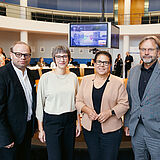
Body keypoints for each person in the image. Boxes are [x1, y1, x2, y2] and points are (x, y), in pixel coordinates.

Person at [76, 51, 129, 160]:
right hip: (90, 130)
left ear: (110, 65)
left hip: (111, 131)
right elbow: (78, 101)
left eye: (105, 62)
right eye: (99, 62)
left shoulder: (118, 82)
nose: (102, 65)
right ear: (94, 63)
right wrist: (87, 110)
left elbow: (124, 104)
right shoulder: (85, 80)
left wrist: (110, 112)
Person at [36, 45, 81, 160]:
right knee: (55, 156)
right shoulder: (45, 78)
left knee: (68, 155)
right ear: (54, 59)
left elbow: (77, 101)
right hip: (52, 121)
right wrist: (41, 129)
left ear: (69, 59)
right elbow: (40, 105)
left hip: (70, 120)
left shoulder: (73, 77)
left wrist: (78, 123)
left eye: (65, 56)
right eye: (58, 56)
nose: (62, 59)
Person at [124, 36, 160, 160]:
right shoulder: (133, 72)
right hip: (136, 129)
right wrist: (127, 122)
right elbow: (130, 99)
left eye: (150, 49)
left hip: (157, 130)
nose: (146, 53)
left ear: (158, 52)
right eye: (143, 49)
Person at [0, 41, 37, 160]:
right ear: (11, 54)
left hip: (26, 130)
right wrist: (5, 137)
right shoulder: (2, 75)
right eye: (18, 54)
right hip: (10, 134)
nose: (23, 57)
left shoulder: (30, 74)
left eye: (26, 55)